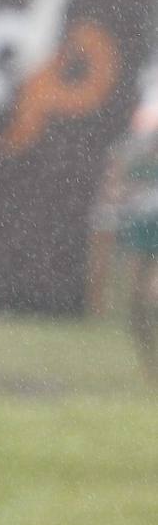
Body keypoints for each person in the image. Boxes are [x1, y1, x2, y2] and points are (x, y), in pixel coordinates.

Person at [88, 98, 158, 384]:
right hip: (139, 234)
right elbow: (113, 193)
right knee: (134, 301)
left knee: (151, 295)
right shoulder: (130, 158)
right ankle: (149, 361)